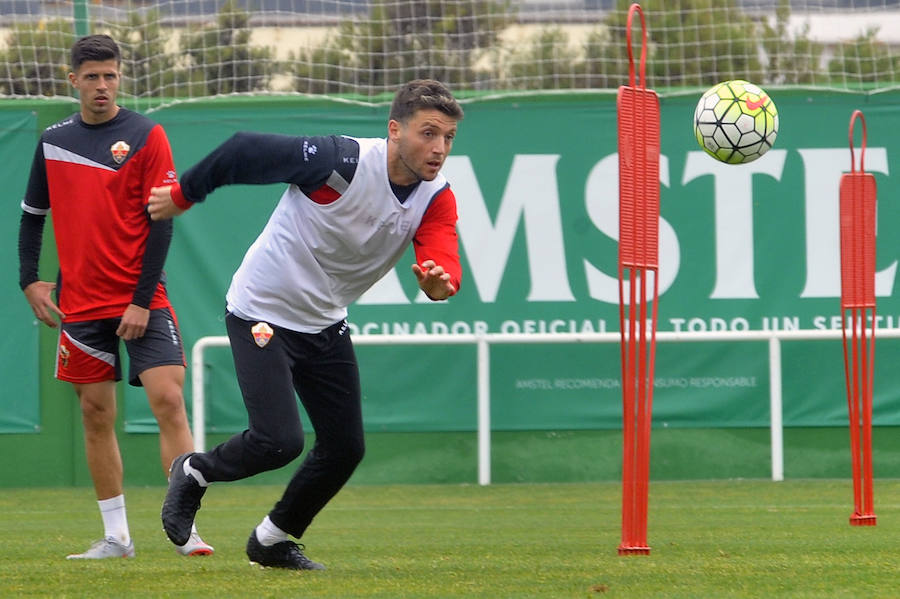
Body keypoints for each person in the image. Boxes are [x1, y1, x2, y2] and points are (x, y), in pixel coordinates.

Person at [150, 79, 464, 570]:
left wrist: (442, 282)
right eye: (428, 133)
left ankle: (272, 540)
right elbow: (242, 150)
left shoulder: (435, 197)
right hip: (262, 310)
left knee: (345, 448)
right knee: (279, 441)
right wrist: (183, 194)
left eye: (448, 137)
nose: (439, 149)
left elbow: (441, 250)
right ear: (394, 130)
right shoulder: (339, 163)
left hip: (324, 322)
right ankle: (194, 471)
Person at [17, 34, 213, 559]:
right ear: (73, 79)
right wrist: (29, 279)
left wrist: (141, 300)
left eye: (110, 75)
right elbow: (33, 216)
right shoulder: (53, 141)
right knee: (95, 415)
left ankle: (185, 528)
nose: (102, 85)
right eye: (92, 76)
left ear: (120, 77)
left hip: (142, 301)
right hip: (80, 305)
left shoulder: (147, 135)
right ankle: (116, 538)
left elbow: (163, 223)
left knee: (169, 401)